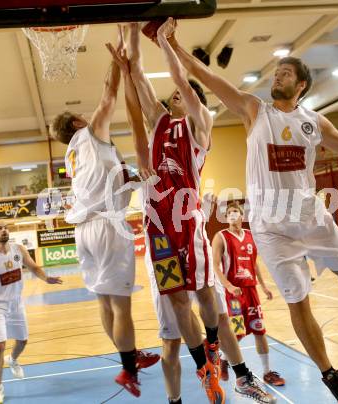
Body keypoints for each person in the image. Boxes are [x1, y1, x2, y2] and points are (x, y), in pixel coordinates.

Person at [164, 18, 338, 403]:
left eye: (285, 72)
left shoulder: (313, 122)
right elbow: (205, 75)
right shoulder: (253, 110)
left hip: (311, 217)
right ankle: (331, 378)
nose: (277, 75)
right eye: (277, 71)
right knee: (297, 301)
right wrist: (174, 45)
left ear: (300, 85)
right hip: (270, 228)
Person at [50, 26, 159, 398]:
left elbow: (110, 181)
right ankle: (129, 370)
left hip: (83, 230)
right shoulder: (91, 134)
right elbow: (109, 94)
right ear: (78, 124)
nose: (90, 115)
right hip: (108, 228)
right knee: (121, 304)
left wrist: (132, 179)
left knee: (102, 299)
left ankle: (127, 355)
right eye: (84, 114)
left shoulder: (72, 154)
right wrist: (117, 64)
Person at [120, 20, 225, 403]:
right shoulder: (160, 121)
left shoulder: (201, 125)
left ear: (188, 99)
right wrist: (127, 31)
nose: (171, 98)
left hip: (188, 222)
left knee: (204, 294)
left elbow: (183, 82)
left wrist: (164, 41)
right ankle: (204, 369)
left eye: (178, 96)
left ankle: (213, 343)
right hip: (158, 228)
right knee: (179, 299)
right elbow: (138, 74)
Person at [0, 221, 62, 404]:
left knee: (23, 341)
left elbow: (33, 267)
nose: (3, 230)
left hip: (16, 303)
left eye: (5, 228)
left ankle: (13, 359)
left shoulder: (18, 249)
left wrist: (46, 278)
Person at [212, 202, 285, 387]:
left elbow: (254, 264)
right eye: (229, 212)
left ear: (242, 215)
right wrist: (228, 286)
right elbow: (215, 265)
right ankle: (223, 359)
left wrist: (264, 286)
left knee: (260, 330)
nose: (232, 214)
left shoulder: (251, 236)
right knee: (237, 333)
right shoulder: (221, 237)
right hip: (234, 293)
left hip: (251, 292)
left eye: (235, 211)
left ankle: (267, 372)